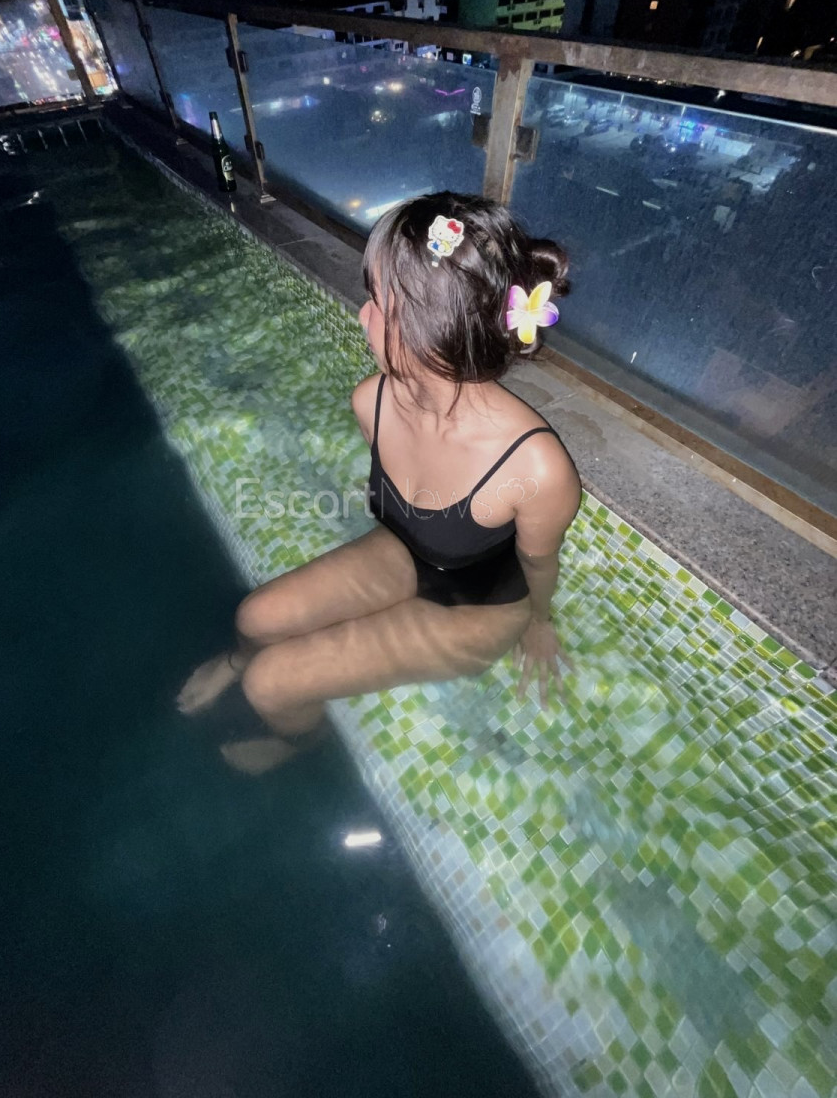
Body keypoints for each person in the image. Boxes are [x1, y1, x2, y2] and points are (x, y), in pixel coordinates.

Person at [177, 192, 582, 774]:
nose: (361, 314)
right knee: (254, 619)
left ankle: (300, 744)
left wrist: (539, 623)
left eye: (379, 304)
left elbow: (540, 564)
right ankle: (237, 663)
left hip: (476, 613)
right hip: (409, 556)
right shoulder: (372, 401)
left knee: (273, 685)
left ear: (432, 332)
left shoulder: (534, 468)